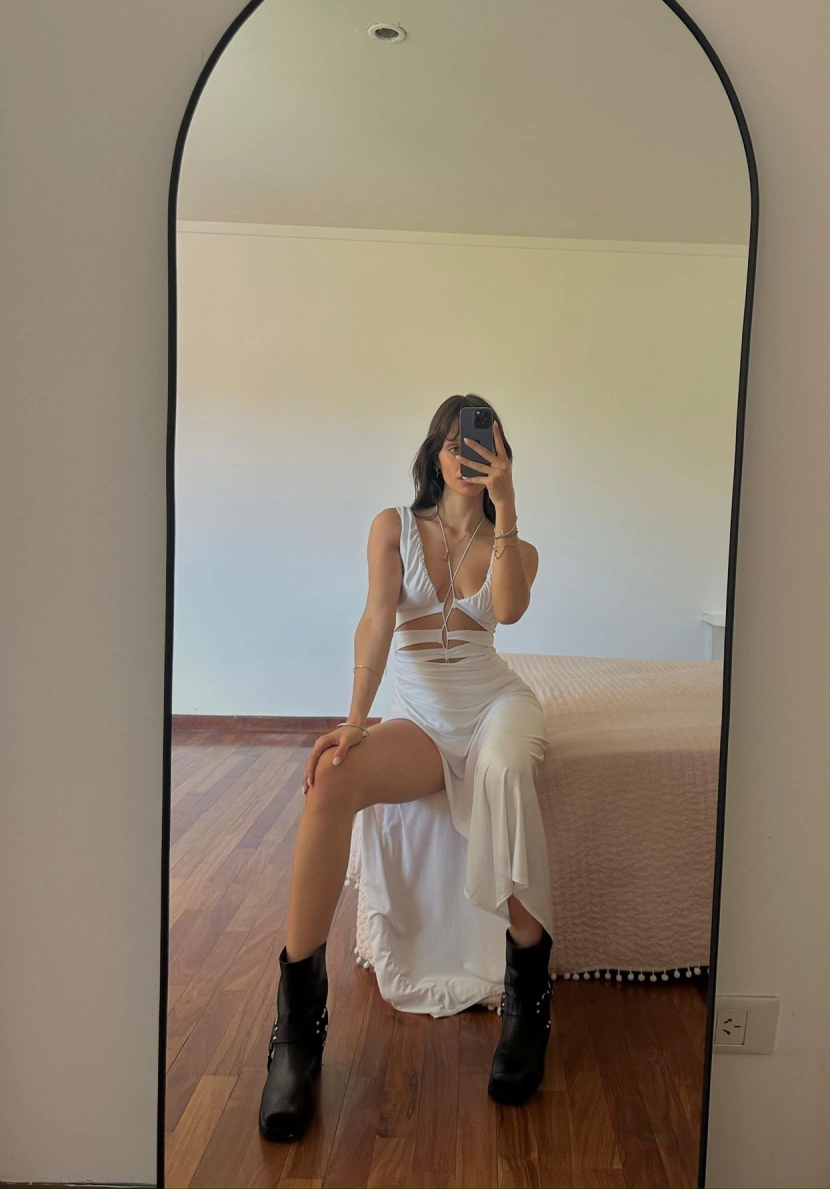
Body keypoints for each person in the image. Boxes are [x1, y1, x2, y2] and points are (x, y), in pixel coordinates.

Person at [258, 393, 554, 1142]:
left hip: (495, 706)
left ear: (500, 455)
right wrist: (356, 720)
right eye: (456, 442)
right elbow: (377, 617)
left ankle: (528, 998)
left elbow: (508, 612)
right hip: (421, 718)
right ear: (434, 452)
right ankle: (297, 1031)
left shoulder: (517, 546)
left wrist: (506, 502)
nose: (467, 454)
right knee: (331, 779)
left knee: (505, 771)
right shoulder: (393, 526)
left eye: (482, 444)